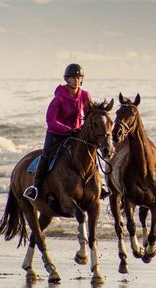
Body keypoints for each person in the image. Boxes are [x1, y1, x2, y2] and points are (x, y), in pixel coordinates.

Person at [23, 63, 109, 201]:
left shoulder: (85, 95)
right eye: (73, 77)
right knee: (46, 156)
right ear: (67, 79)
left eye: (79, 77)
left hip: (76, 134)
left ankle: (99, 186)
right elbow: (50, 120)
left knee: (90, 154)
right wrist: (67, 129)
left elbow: (89, 116)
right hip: (56, 134)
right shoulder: (59, 98)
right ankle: (35, 187)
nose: (76, 80)